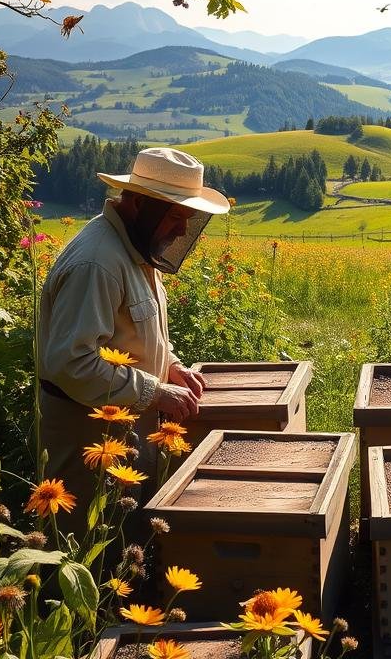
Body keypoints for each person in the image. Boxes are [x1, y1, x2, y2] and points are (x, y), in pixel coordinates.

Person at [37, 147, 230, 527]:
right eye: (176, 216)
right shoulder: (97, 263)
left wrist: (171, 366)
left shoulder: (135, 249)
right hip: (88, 446)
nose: (181, 229)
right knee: (88, 561)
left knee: (125, 550)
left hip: (123, 436)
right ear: (141, 204)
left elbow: (137, 330)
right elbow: (71, 362)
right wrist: (156, 391)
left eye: (187, 218)